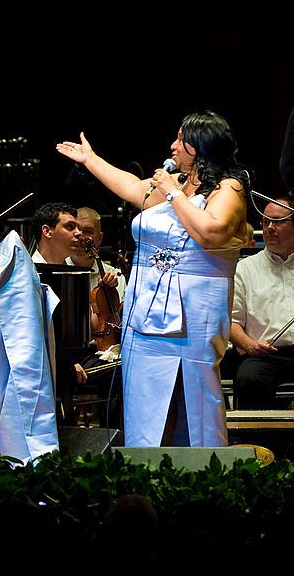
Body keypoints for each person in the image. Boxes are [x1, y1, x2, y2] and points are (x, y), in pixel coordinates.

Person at [57, 110, 251, 447]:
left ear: (200, 145)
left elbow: (211, 232)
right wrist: (91, 160)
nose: (173, 146)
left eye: (181, 139)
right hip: (145, 310)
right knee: (146, 399)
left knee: (190, 394)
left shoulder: (228, 187)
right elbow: (131, 186)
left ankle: (198, 474)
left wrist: (173, 194)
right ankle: (146, 472)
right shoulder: (179, 184)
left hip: (193, 314)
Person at [229, 196, 294, 408]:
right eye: (266, 222)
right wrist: (249, 345)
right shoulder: (244, 269)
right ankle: (258, 441)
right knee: (249, 379)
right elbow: (232, 322)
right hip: (262, 356)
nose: (270, 228)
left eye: (278, 221)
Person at [68, 207, 128, 427]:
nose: (81, 237)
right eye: (74, 229)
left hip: (107, 351)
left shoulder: (114, 275)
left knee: (129, 370)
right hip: (74, 355)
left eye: (88, 231)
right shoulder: (58, 271)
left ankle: (117, 435)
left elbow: (122, 323)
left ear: (99, 238)